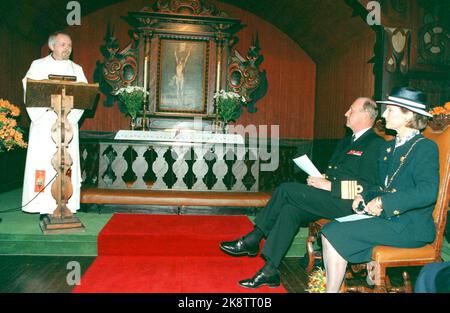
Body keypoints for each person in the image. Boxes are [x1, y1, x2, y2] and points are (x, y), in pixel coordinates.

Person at [220, 97, 385, 289]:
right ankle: (270, 270)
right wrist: (320, 179)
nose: (346, 114)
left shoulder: (375, 144)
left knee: (285, 189)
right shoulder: (347, 141)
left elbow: (368, 186)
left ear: (365, 115)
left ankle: (255, 237)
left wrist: (330, 186)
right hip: (331, 199)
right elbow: (337, 173)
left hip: (349, 204)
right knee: (290, 210)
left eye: (351, 110)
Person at [320, 87, 439, 293]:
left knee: (333, 233)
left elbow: (428, 191)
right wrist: (364, 195)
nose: (383, 115)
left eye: (391, 110)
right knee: (330, 230)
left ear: (409, 115)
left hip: (410, 226)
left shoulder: (424, 147)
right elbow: (381, 185)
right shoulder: (388, 147)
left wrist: (385, 202)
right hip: (388, 219)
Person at [21, 31, 88, 215]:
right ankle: (43, 206)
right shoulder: (38, 66)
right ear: (52, 46)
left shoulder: (77, 69)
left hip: (67, 125)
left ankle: (67, 204)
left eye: (69, 45)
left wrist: (70, 117)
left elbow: (84, 96)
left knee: (66, 164)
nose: (67, 48)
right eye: (63, 44)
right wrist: (46, 114)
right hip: (45, 125)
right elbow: (30, 90)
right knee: (43, 163)